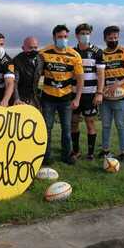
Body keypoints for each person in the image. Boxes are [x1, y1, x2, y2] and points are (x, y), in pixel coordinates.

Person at [39, 25, 84, 165]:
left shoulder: (74, 55)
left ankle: (67, 155)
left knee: (67, 129)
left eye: (65, 37)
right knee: (47, 128)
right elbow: (37, 74)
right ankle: (45, 157)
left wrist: (77, 98)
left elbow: (80, 78)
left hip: (66, 99)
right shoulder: (44, 53)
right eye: (60, 37)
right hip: (48, 98)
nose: (63, 39)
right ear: (54, 37)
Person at [99, 25, 124, 161]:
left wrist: (118, 84)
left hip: (121, 96)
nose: (113, 40)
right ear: (105, 39)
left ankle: (123, 152)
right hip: (105, 97)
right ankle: (105, 150)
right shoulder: (101, 54)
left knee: (120, 125)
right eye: (110, 38)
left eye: (115, 37)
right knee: (106, 125)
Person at [71, 23, 105, 160]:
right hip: (74, 94)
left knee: (90, 123)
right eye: (82, 33)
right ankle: (76, 151)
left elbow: (101, 74)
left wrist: (99, 93)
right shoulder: (72, 52)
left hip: (91, 94)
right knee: (73, 122)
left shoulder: (97, 52)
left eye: (87, 33)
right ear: (77, 35)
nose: (85, 36)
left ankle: (90, 153)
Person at [13, 36, 43, 107]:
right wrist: (17, 98)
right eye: (30, 48)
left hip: (36, 99)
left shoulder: (41, 59)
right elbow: (14, 82)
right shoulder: (16, 61)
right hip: (21, 99)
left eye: (35, 47)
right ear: (23, 48)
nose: (33, 50)